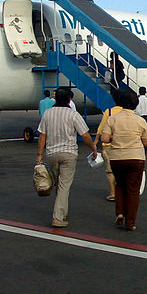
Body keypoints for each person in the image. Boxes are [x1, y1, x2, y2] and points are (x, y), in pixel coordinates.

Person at [37, 88, 97, 228]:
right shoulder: (73, 114)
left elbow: (42, 136)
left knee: (59, 184)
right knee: (64, 186)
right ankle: (58, 217)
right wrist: (93, 147)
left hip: (51, 153)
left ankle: (62, 211)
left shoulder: (48, 114)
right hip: (69, 153)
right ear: (70, 99)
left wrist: (39, 154)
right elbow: (85, 135)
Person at [101, 89, 147, 231]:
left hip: (117, 157)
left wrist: (114, 138)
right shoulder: (140, 120)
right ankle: (130, 222)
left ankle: (120, 213)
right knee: (133, 191)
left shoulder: (113, 119)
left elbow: (104, 138)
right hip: (136, 157)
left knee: (120, 185)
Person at [95, 90, 124, 201]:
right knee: (123, 170)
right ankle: (123, 192)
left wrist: (96, 141)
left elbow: (101, 128)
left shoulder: (109, 112)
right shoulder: (128, 112)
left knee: (110, 170)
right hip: (123, 144)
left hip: (109, 145)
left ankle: (113, 193)